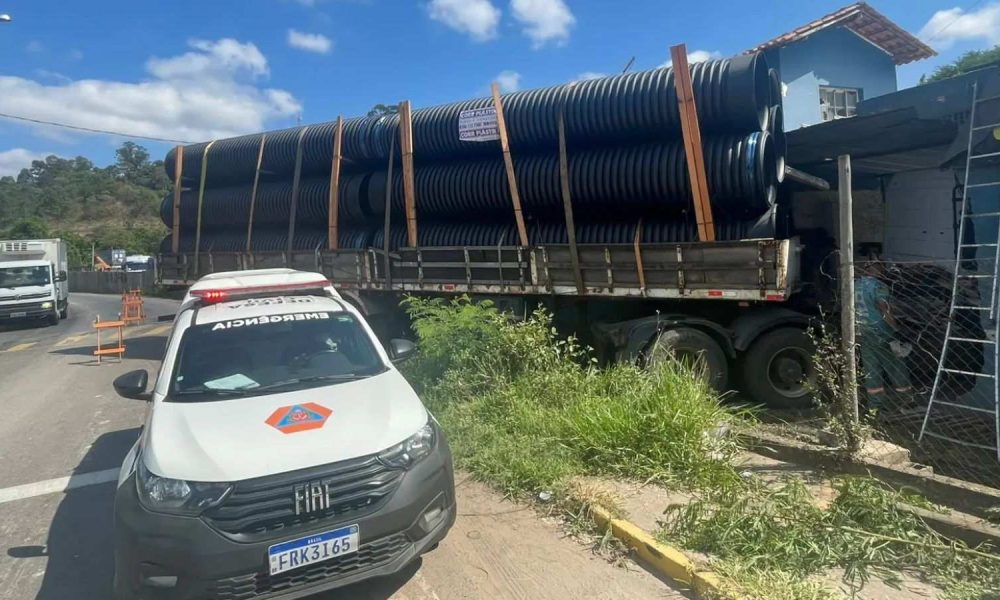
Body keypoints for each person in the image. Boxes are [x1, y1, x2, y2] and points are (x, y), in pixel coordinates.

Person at [855, 258, 912, 410]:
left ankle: (875, 405)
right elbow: (883, 308)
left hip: (864, 330)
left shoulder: (855, 285)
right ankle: (906, 401)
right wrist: (895, 329)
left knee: (871, 368)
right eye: (882, 268)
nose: (883, 271)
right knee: (895, 364)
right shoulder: (879, 286)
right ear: (877, 268)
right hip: (881, 331)